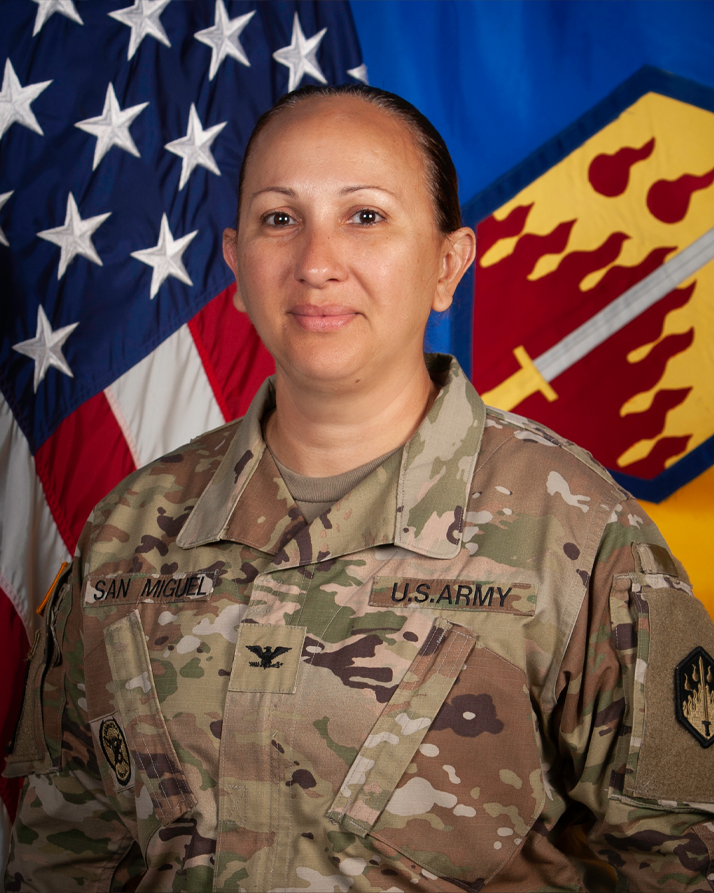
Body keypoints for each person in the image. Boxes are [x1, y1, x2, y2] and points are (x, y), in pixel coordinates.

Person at [4, 84, 714, 893]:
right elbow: (63, 855)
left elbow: (686, 861)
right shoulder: (129, 532)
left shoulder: (578, 531)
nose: (316, 263)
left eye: (365, 215)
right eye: (280, 218)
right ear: (236, 264)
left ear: (448, 264)